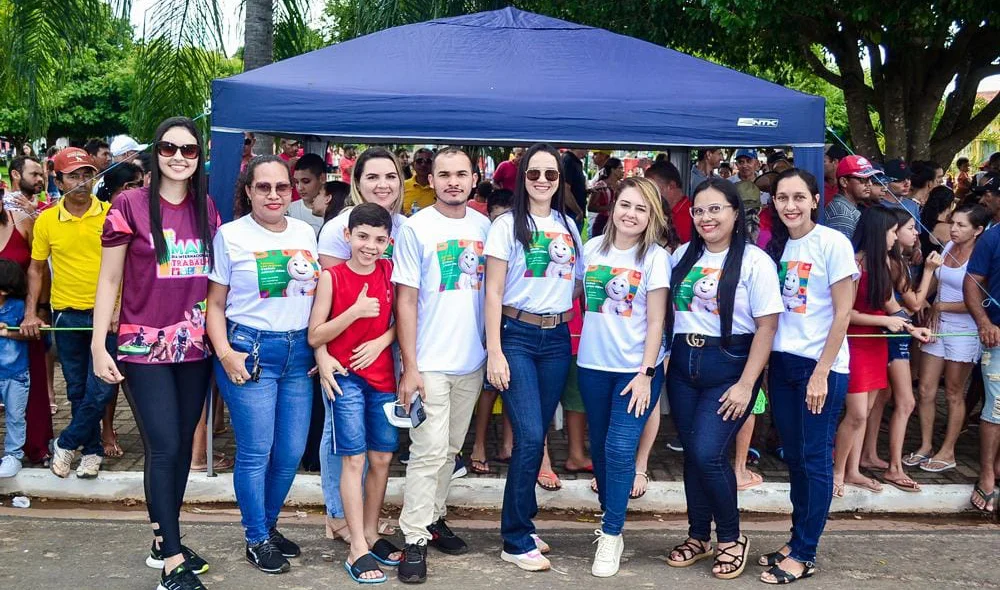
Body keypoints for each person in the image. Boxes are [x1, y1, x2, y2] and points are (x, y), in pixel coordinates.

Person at [89, 117, 219, 590]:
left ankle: (166, 540)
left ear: (199, 157)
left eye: (189, 150)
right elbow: (108, 280)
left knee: (181, 447)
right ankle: (171, 562)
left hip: (195, 346)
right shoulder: (129, 205)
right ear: (154, 153)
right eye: (168, 148)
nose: (179, 157)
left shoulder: (206, 207)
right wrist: (99, 343)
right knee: (163, 446)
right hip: (142, 346)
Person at [206, 155, 320, 574]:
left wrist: (319, 351)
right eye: (264, 187)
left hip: (299, 356)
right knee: (256, 452)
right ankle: (255, 537)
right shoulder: (231, 235)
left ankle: (268, 527)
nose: (274, 195)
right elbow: (214, 304)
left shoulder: (306, 232)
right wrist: (225, 353)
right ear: (249, 191)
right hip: (249, 350)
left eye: (282, 187)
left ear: (292, 191)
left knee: (289, 452)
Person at [664, 178, 781, 580]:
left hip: (729, 367)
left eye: (716, 209)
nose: (706, 217)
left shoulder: (754, 261)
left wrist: (748, 383)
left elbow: (767, 328)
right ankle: (698, 536)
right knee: (692, 456)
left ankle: (731, 538)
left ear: (734, 212)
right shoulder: (681, 255)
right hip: (683, 365)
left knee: (708, 453)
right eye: (699, 210)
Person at [392, 147, 492, 583]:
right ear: (430, 179)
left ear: (474, 178)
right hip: (429, 361)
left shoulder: (486, 227)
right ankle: (413, 538)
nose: (453, 182)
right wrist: (410, 367)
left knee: (451, 450)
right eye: (444, 174)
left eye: (461, 174)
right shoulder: (416, 228)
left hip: (471, 360)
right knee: (428, 451)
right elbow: (406, 300)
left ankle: (433, 518)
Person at [486, 143, 583, 572]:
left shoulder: (568, 225)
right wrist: (495, 350)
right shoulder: (505, 225)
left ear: (561, 181)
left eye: (551, 175)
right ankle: (514, 536)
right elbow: (490, 291)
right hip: (517, 335)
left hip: (557, 337)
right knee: (527, 437)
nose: (542, 181)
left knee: (537, 435)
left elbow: (577, 282)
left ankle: (524, 522)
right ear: (521, 178)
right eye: (534, 174)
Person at [762, 168, 857, 583]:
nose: (790, 206)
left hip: (819, 366)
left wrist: (821, 371)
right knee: (795, 458)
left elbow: (843, 313)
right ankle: (795, 537)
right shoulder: (779, 246)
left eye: (799, 197)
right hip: (783, 363)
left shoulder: (832, 243)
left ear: (815, 200)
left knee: (815, 459)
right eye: (782, 198)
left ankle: (806, 551)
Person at [577, 177, 669, 577]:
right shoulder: (592, 249)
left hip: (636, 371)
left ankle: (611, 535)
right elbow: (581, 301)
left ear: (651, 217)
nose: (631, 214)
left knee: (619, 449)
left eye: (641, 208)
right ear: (613, 208)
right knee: (600, 449)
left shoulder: (655, 258)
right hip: (593, 365)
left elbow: (656, 320)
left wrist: (647, 372)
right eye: (626, 205)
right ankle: (609, 515)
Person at [308, 203, 400, 583]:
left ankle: (373, 530)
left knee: (382, 457)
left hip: (382, 379)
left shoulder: (391, 271)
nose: (370, 246)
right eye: (363, 237)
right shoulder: (332, 277)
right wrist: (355, 312)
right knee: (354, 460)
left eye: (379, 239)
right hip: (345, 377)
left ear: (388, 242)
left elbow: (401, 320)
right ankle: (356, 545)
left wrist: (383, 340)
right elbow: (315, 335)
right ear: (347, 236)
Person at [22, 147, 116, 480]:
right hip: (67, 315)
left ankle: (67, 440)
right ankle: (90, 452)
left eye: (87, 174)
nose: (81, 181)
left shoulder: (111, 214)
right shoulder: (47, 219)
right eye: (73, 176)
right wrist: (31, 312)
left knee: (103, 386)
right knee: (76, 388)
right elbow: (36, 269)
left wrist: (119, 307)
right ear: (58, 181)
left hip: (107, 317)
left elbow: (128, 267)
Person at [833, 206, 930, 497]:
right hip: (855, 344)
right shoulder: (854, 264)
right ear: (878, 233)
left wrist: (913, 329)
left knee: (867, 411)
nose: (894, 237)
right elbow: (845, 313)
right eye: (890, 232)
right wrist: (886, 321)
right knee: (857, 413)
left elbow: (893, 307)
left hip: (876, 344)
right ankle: (837, 472)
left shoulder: (882, 265)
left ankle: (853, 471)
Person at [861, 209, 941, 492]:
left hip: (891, 332)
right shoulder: (887, 263)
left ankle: (869, 454)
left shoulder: (883, 262)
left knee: (880, 399)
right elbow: (914, 305)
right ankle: (894, 466)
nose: (912, 233)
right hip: (890, 335)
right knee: (903, 402)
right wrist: (930, 272)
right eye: (905, 228)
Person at [908, 204, 990, 474]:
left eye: (962, 225)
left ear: (978, 230)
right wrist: (920, 300)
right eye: (953, 223)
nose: (954, 229)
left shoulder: (980, 255)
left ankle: (949, 450)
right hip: (937, 324)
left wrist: (939, 306)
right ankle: (925, 445)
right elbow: (936, 282)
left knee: (954, 391)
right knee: (926, 388)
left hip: (964, 329)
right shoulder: (947, 247)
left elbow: (979, 301)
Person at [0, 174, 52, 466]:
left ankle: (35, 446)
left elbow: (39, 269)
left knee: (28, 382)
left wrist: (40, 310)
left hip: (23, 316)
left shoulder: (23, 223)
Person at [965, 177, 1000, 514]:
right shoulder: (991, 237)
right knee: (995, 408)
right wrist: (984, 323)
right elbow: (972, 284)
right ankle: (986, 474)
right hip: (997, 335)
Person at [318, 148, 407, 268]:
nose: (383, 185)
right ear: (357, 183)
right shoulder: (337, 228)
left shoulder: (406, 226)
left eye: (390, 177)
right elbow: (333, 283)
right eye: (372, 177)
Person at [0, 260, 30, 478]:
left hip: (16, 374)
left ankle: (13, 455)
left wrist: (8, 332)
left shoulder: (19, 307)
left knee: (15, 415)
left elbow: (31, 333)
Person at [824, 155, 877, 240]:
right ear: (844, 182)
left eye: (870, 178)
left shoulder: (845, 208)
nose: (870, 184)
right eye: (863, 179)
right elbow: (841, 252)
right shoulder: (841, 213)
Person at [645, 160, 693, 244]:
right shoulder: (654, 213)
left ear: (671, 186)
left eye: (653, 189)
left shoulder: (691, 216)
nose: (648, 194)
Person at [289, 153, 328, 235]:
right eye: (296, 182)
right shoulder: (289, 211)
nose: (300, 188)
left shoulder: (337, 211)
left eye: (306, 181)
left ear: (322, 178)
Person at [588, 157, 623, 236]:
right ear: (612, 170)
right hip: (602, 222)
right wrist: (608, 207)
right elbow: (590, 207)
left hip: (618, 222)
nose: (622, 171)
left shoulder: (622, 185)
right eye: (620, 168)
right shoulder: (601, 185)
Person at [400, 148, 435, 216]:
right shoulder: (402, 186)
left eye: (428, 161)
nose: (423, 164)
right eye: (419, 161)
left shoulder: (439, 187)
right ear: (413, 165)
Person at [560, 148, 588, 228]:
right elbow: (565, 189)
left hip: (573, 213)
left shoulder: (576, 162)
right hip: (569, 213)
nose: (588, 151)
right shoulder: (568, 160)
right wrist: (578, 211)